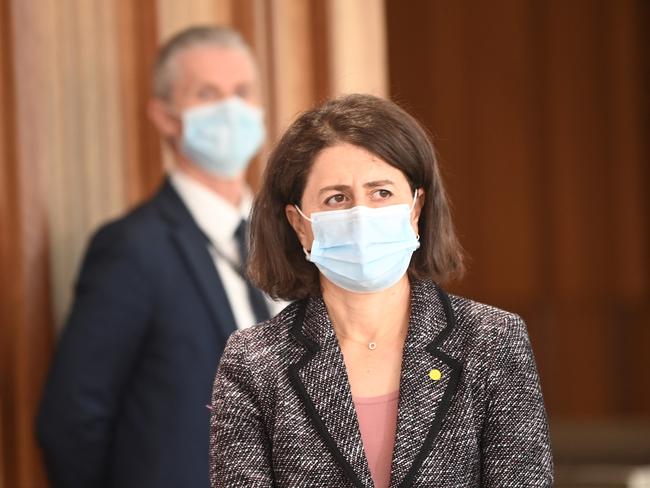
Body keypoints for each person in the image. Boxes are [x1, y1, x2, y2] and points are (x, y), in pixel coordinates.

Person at [209, 94, 554, 487]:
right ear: (299, 223)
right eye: (337, 198)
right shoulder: (254, 362)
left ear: (415, 208)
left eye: (382, 193)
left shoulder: (492, 341)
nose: (362, 215)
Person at [37, 25, 280, 488]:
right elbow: (71, 420)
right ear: (165, 116)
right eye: (207, 93)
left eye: (242, 92)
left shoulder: (293, 239)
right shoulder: (132, 250)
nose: (230, 108)